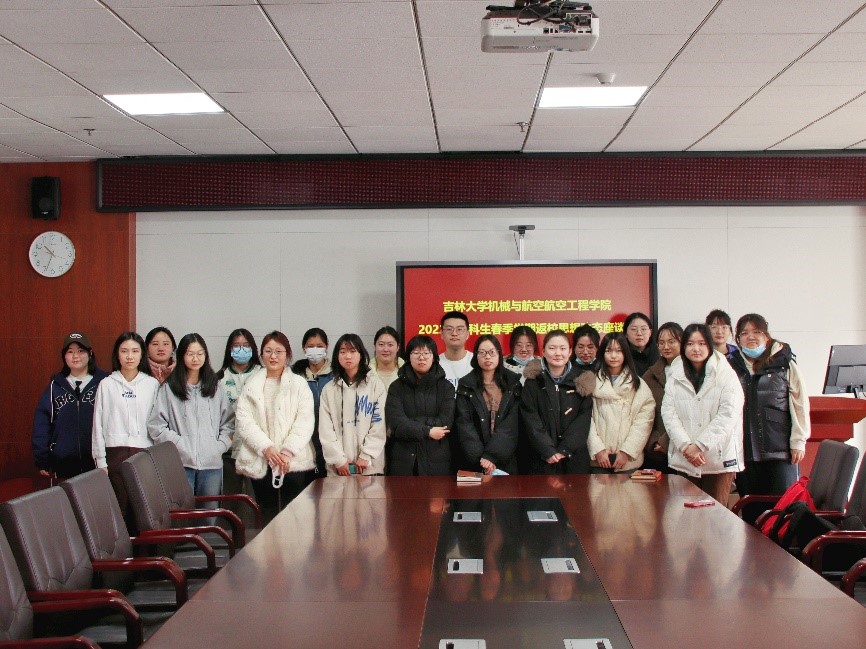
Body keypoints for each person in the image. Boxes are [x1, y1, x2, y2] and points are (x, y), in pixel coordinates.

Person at [235, 331, 316, 521]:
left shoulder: (299, 384)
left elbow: (305, 421)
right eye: (268, 351)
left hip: (293, 460)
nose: (273, 356)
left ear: (287, 355)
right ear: (261, 354)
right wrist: (266, 448)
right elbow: (244, 421)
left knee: (296, 516)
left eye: (279, 351)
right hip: (261, 458)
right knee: (266, 514)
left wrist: (287, 451)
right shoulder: (251, 385)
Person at [728, 313, 810, 499]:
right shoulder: (732, 366)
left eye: (756, 332)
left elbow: (800, 403)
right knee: (751, 509)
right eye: (744, 333)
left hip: (780, 451)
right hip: (745, 453)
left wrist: (798, 441)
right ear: (738, 339)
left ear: (766, 335)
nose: (750, 337)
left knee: (781, 507)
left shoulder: (784, 362)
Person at [661, 323, 744, 504]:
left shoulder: (726, 374)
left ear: (710, 345)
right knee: (685, 513)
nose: (696, 349)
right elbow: (668, 413)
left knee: (716, 512)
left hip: (718, 458)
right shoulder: (675, 373)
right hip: (685, 457)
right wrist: (686, 446)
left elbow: (729, 414)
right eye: (690, 344)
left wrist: (699, 446)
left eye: (701, 343)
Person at [148, 333, 234, 499]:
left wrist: (218, 447)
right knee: (183, 511)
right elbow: (156, 426)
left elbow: (229, 424)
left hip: (212, 465)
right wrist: (179, 444)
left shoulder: (215, 387)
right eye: (190, 354)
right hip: (180, 464)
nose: (196, 358)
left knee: (209, 511)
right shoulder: (169, 388)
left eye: (200, 354)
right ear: (181, 356)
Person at [92, 332, 160, 515]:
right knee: (119, 507)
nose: (130, 356)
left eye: (135, 351)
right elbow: (97, 425)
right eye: (124, 351)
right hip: (114, 454)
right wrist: (101, 461)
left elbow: (157, 423)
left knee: (143, 510)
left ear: (142, 354)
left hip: (144, 453)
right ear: (117, 354)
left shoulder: (151, 384)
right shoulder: (106, 384)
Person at [32, 332, 108, 481]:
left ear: (90, 353)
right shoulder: (55, 387)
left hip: (98, 463)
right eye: (70, 352)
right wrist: (42, 458)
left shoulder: (104, 383)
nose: (75, 356)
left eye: (81, 351)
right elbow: (42, 424)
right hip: (64, 464)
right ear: (64, 356)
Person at [519, 329, 594, 475]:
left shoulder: (582, 381)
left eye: (563, 348)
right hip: (540, 458)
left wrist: (565, 449)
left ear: (570, 351)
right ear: (543, 351)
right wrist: (547, 450)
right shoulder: (533, 382)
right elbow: (530, 419)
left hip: (573, 458)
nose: (558, 353)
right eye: (552, 348)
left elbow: (583, 420)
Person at [385, 335, 456, 476]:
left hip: (437, 459)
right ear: (408, 357)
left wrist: (412, 423)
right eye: (416, 353)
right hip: (403, 460)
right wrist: (427, 431)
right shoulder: (396, 387)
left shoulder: (446, 387)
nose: (421, 357)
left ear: (434, 357)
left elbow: (445, 422)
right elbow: (397, 424)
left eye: (426, 353)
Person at [319, 334, 387, 477]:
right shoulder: (329, 389)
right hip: (339, 469)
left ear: (361, 354)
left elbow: (379, 424)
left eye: (352, 351)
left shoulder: (375, 385)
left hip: (370, 468)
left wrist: (366, 455)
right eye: (343, 352)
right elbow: (325, 429)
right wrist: (338, 460)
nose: (348, 356)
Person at [587, 333, 655, 473]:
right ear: (602, 353)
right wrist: (598, 449)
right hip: (599, 460)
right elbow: (585, 418)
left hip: (627, 461)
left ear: (626, 354)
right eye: (608, 351)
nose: (613, 356)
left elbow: (644, 421)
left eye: (619, 351)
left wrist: (627, 451)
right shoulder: (590, 382)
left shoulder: (638, 385)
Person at [455, 335, 521, 475]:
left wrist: (492, 456)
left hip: (506, 457)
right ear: (476, 356)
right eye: (482, 353)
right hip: (474, 460)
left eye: (492, 352)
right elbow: (464, 425)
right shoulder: (466, 385)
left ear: (499, 354)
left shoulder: (513, 383)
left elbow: (512, 424)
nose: (487, 357)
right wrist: (481, 459)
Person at [216, 328, 262, 497]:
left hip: (259, 450)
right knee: (231, 499)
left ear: (253, 348)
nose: (241, 349)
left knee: (261, 500)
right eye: (236, 346)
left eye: (246, 345)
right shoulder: (219, 378)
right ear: (230, 349)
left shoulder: (263, 375)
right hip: (229, 451)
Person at [641, 322, 683, 472]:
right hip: (656, 452)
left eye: (671, 342)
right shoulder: (650, 375)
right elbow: (641, 412)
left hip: (685, 449)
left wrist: (667, 441)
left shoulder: (692, 373)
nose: (666, 347)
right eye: (661, 342)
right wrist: (654, 442)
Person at [291, 327, 333, 476]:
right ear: (304, 348)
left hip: (330, 440)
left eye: (319, 346)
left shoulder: (336, 373)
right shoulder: (294, 374)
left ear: (327, 347)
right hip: (303, 441)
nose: (315, 350)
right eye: (310, 346)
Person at [439, 311, 472, 390]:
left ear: (467, 334)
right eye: (449, 329)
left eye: (459, 329)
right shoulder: (435, 364)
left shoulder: (477, 362)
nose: (454, 333)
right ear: (441, 334)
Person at [624, 312, 659, 377]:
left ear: (650, 332)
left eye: (643, 329)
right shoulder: (620, 356)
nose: (639, 333)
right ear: (625, 333)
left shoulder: (659, 354)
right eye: (634, 329)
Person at [369, 326, 404, 391]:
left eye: (390, 345)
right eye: (381, 344)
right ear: (374, 346)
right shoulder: (365, 373)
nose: (385, 349)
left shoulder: (406, 373)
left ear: (398, 347)